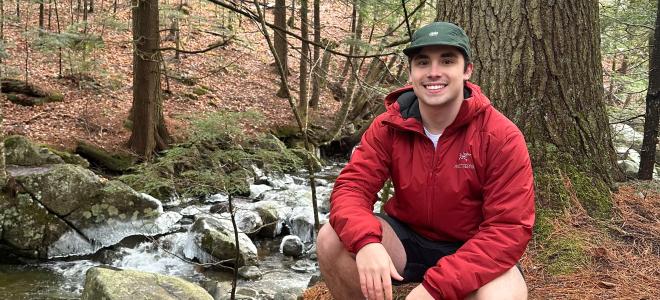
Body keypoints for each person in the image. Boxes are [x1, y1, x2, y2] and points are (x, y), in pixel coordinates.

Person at [316, 21, 535, 300]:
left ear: (467, 70)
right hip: (407, 240)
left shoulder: (500, 135)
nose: (434, 72)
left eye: (446, 60)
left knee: (501, 297)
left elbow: (508, 229)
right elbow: (352, 188)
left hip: (473, 245)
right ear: (411, 73)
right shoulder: (389, 126)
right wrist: (366, 243)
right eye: (422, 62)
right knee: (331, 239)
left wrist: (435, 288)